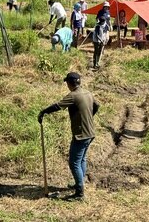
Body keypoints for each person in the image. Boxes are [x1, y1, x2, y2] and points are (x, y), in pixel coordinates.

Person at [38, 72, 99, 201]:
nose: (67, 85)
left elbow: (57, 106)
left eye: (67, 83)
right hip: (90, 132)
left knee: (74, 162)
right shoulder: (87, 93)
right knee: (82, 159)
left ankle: (79, 193)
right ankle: (79, 183)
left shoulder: (73, 95)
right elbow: (97, 105)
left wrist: (43, 112)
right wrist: (88, 117)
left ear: (70, 83)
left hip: (81, 134)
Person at [92, 4, 111, 69]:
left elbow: (105, 33)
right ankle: (94, 64)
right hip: (96, 41)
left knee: (100, 52)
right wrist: (100, 41)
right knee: (96, 51)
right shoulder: (98, 26)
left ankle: (98, 63)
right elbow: (97, 35)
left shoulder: (105, 25)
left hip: (101, 40)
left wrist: (104, 40)